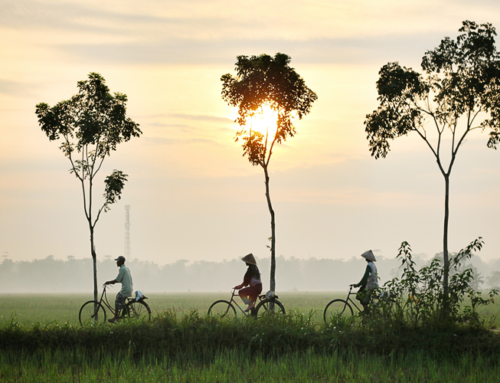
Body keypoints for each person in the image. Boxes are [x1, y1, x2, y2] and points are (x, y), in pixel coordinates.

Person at [104, 255, 133, 323]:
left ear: (121, 262)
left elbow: (117, 280)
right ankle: (126, 308)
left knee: (118, 299)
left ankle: (116, 316)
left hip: (125, 289)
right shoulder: (126, 268)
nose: (116, 262)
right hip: (129, 288)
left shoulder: (122, 269)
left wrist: (108, 282)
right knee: (121, 300)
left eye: (117, 261)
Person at [352, 250, 379, 314]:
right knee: (363, 293)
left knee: (359, 294)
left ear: (368, 258)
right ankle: (367, 310)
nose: (365, 259)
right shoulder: (373, 265)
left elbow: (365, 277)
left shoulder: (369, 265)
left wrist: (358, 285)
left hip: (370, 285)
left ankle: (366, 309)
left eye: (366, 258)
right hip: (374, 284)